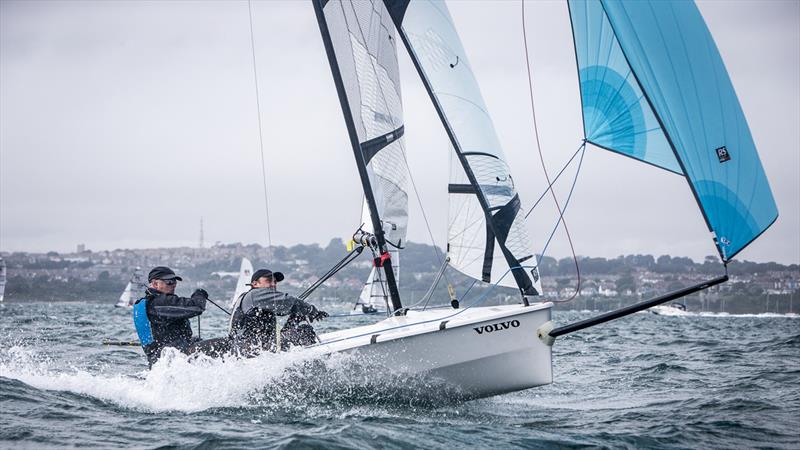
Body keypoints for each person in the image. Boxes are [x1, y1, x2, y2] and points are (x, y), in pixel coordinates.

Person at [229, 269, 328, 355]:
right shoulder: (255, 294)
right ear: (255, 284)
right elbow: (290, 302)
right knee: (305, 330)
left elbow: (288, 309)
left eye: (275, 282)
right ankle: (315, 358)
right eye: (269, 281)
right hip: (252, 349)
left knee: (297, 316)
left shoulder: (250, 298)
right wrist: (311, 310)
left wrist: (302, 314)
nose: (273, 284)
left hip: (255, 346)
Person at [133, 266, 208, 367]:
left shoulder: (151, 303)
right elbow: (197, 307)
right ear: (155, 284)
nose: (173, 285)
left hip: (162, 362)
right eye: (169, 282)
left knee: (199, 341)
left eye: (174, 282)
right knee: (226, 344)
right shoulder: (159, 302)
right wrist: (200, 294)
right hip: (173, 358)